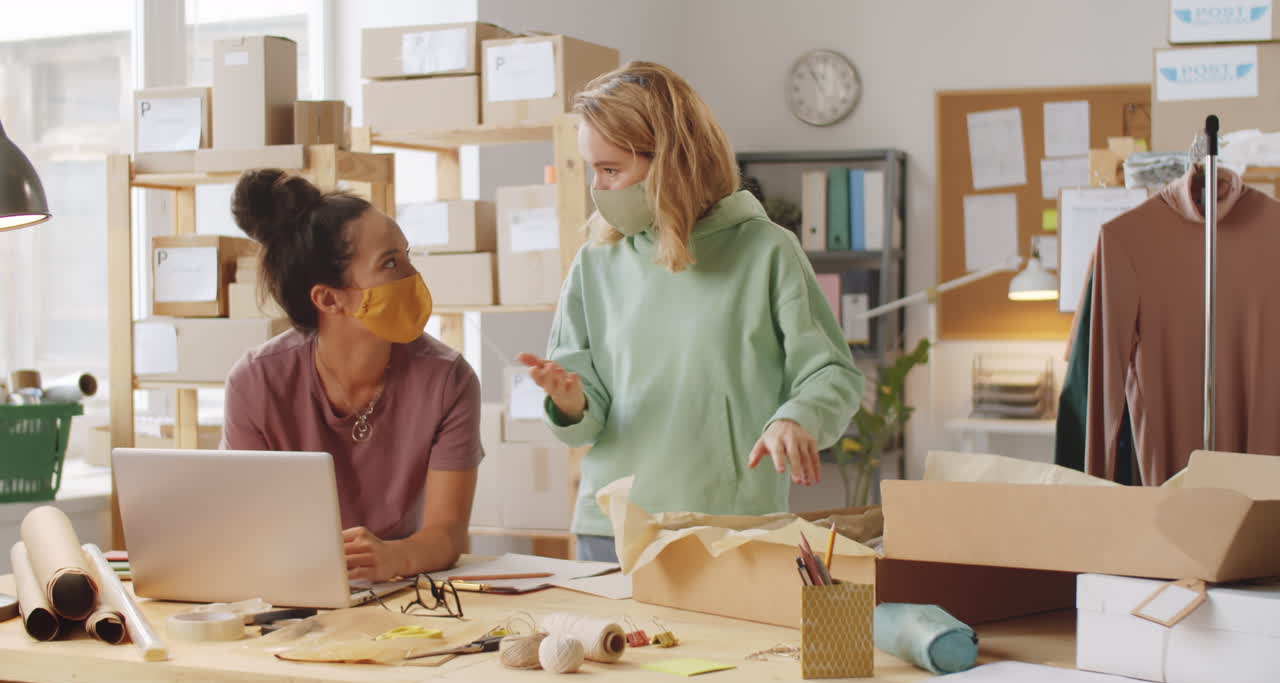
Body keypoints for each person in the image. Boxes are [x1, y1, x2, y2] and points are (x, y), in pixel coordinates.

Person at [517, 62, 863, 562]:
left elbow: (831, 372)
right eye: (593, 169)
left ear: (672, 163)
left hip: (733, 525)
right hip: (615, 528)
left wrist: (797, 418)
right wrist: (571, 403)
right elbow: (586, 412)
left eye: (611, 169)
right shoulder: (596, 259)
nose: (598, 188)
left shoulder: (767, 251)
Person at [221, 169, 482, 582]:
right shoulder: (255, 383)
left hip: (401, 592)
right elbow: (250, 528)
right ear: (329, 299)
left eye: (407, 256)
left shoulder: (448, 380)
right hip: (291, 588)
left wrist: (395, 558)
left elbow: (447, 534)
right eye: (391, 263)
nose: (413, 277)